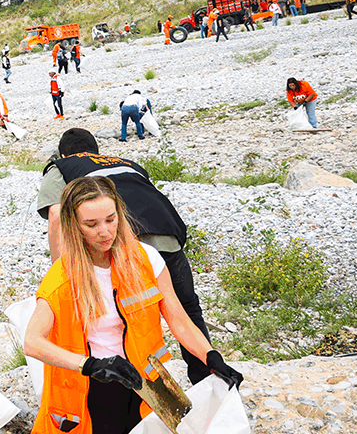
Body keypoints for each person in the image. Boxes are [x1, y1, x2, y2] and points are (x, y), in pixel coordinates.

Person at [25, 176, 242, 433]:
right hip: (94, 386)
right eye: (91, 224)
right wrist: (90, 364)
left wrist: (211, 356)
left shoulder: (146, 259)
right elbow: (32, 342)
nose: (104, 231)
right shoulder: (62, 278)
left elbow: (178, 319)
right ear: (74, 226)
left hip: (146, 383)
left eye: (110, 219)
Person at [35, 128, 214, 385]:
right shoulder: (125, 163)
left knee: (120, 315)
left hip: (124, 241)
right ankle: (208, 379)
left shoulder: (60, 166)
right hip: (168, 235)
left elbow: (56, 215)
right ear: (96, 150)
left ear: (63, 153)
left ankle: (123, 380)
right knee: (186, 310)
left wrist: (63, 272)